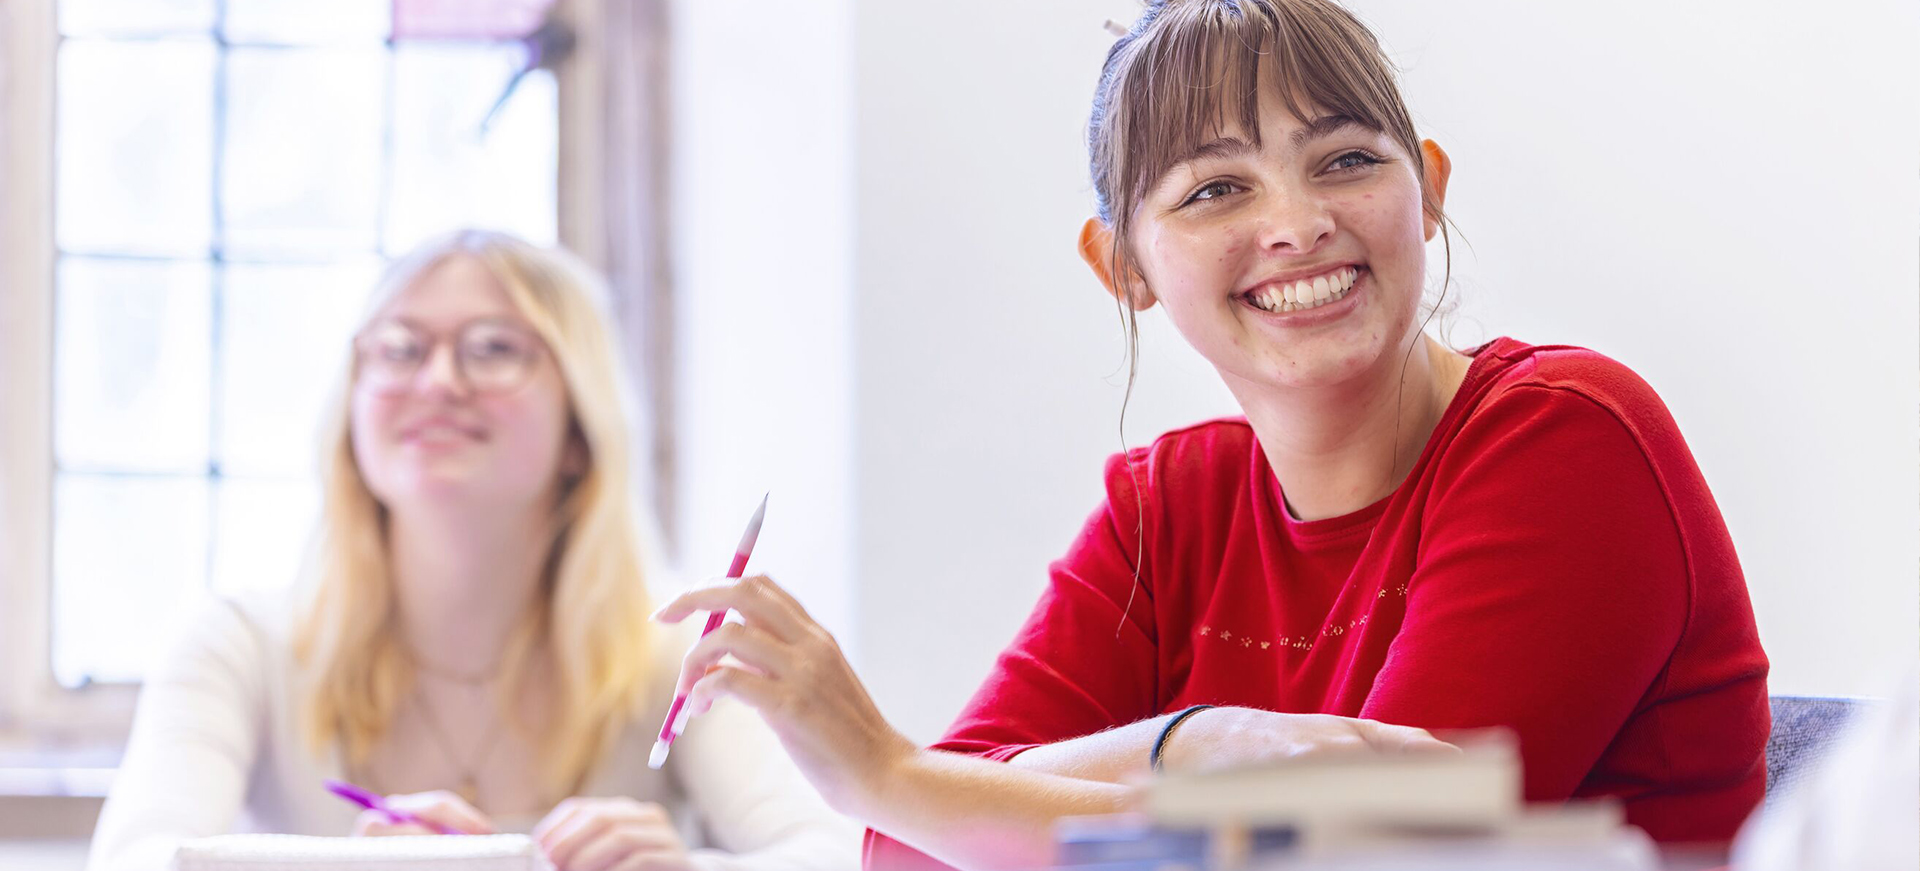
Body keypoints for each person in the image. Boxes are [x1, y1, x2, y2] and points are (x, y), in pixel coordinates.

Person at [645, 2, 1770, 869]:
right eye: (1215, 189)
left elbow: (1373, 848)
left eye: (1345, 160)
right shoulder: (1167, 504)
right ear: (1121, 265)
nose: (1296, 223)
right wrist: (1199, 745)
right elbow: (915, 843)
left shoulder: (1566, 437)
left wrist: (899, 771)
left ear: (1425, 189)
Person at [88, 230, 861, 871]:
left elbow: (833, 854)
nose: (439, 380)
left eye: (494, 349)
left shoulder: (676, 653)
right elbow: (134, 859)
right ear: (352, 414)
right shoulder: (239, 645)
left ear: (579, 431)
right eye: (398, 349)